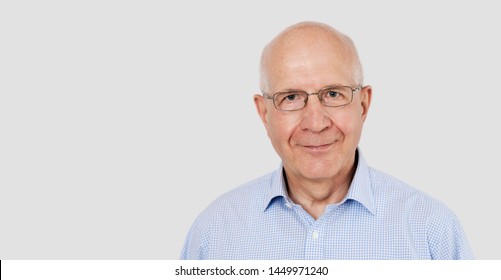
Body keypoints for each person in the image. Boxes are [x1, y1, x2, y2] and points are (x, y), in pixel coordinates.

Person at [180, 21, 474, 259]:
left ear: (363, 104)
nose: (316, 123)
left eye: (333, 94)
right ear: (264, 112)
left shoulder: (431, 231)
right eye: (291, 97)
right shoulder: (214, 233)